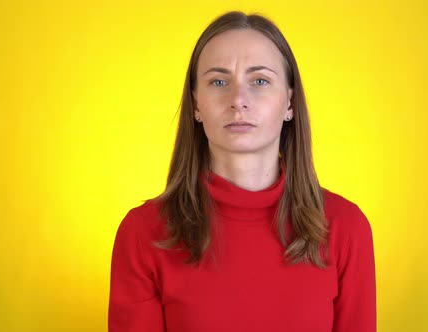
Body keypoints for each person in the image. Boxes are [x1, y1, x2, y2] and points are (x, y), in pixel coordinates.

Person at [108, 11, 376, 332]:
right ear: (196, 104)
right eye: (219, 81)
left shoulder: (346, 227)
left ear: (289, 102)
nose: (238, 100)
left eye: (259, 81)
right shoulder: (143, 233)